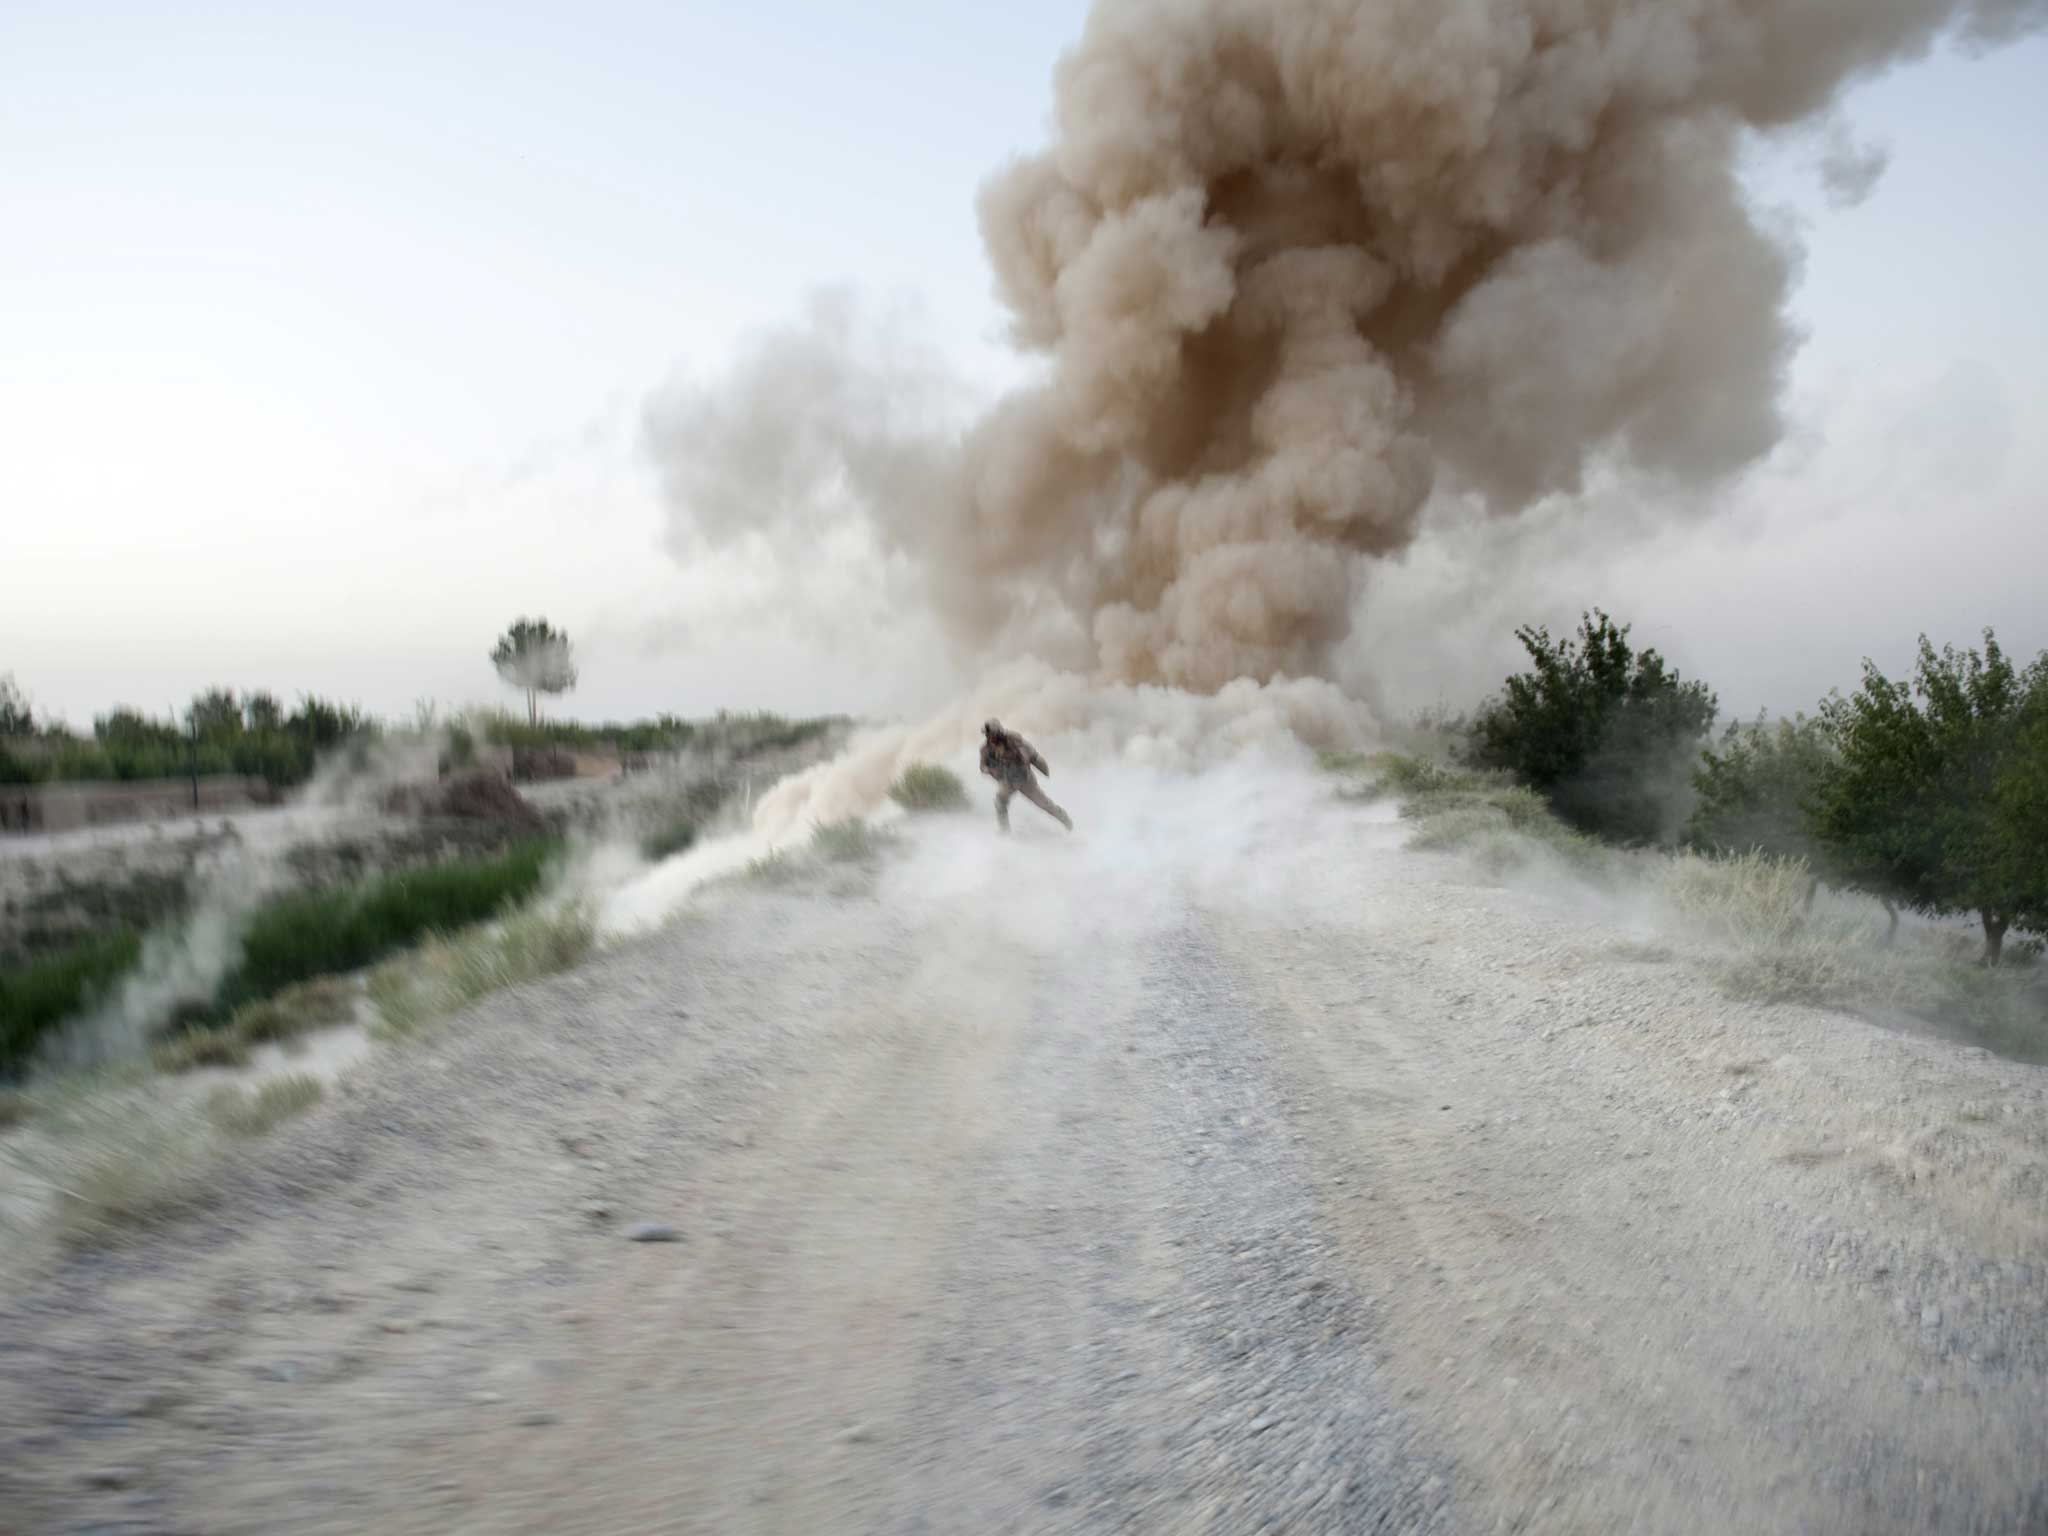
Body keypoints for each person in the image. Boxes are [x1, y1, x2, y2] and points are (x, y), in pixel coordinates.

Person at [978, 719, 1072, 834]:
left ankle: (1065, 820)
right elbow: (982, 767)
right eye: (987, 735)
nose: (989, 737)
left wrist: (1041, 768)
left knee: (1045, 804)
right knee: (1000, 802)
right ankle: (1004, 831)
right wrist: (991, 770)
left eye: (991, 734)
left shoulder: (1014, 740)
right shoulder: (986, 749)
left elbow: (1032, 755)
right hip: (1007, 782)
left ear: (998, 731)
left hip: (1025, 780)